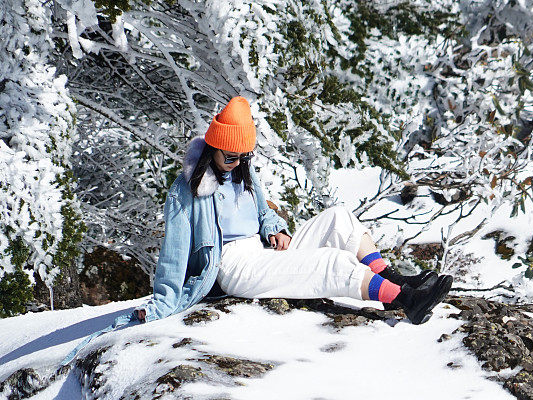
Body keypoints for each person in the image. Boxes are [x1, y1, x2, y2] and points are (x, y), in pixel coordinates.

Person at [132, 96, 452, 326]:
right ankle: (407, 301)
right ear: (213, 147)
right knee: (331, 262)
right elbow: (173, 253)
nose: (237, 164)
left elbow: (262, 213)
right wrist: (161, 304)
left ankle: (395, 282)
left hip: (261, 253)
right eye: (230, 157)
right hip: (233, 267)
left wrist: (274, 228)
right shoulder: (187, 188)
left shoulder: (243, 171)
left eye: (244, 157)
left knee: (338, 218)